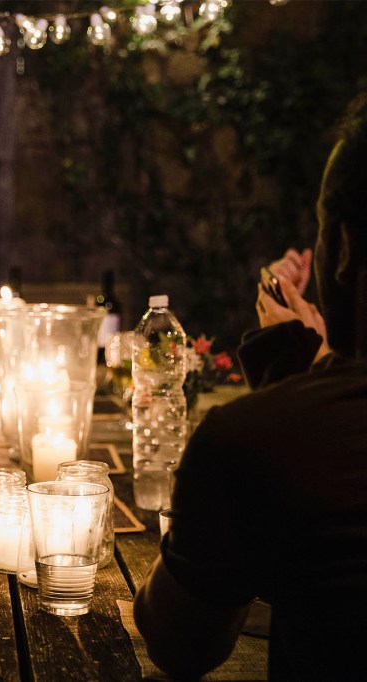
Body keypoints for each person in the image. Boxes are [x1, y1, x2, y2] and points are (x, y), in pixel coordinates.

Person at [134, 92, 367, 679]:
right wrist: (317, 368)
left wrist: (306, 383)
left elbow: (180, 645)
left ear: (341, 249)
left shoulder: (252, 438)